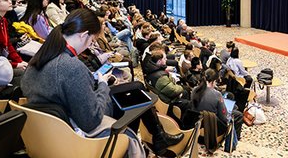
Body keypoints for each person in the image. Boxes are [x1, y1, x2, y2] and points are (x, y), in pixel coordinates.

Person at [21, 9, 183, 155]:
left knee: (137, 89)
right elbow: (91, 120)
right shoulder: (71, 66)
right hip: (80, 129)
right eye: (91, 41)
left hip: (55, 128)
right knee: (136, 97)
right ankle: (154, 139)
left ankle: (158, 138)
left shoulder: (38, 61)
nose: (90, 46)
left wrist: (92, 80)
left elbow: (62, 85)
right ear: (84, 35)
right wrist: (103, 84)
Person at [191, 68, 243, 140]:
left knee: (233, 108)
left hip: (197, 122)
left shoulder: (195, 90)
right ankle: (235, 140)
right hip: (213, 126)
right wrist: (228, 115)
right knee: (238, 114)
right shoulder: (217, 94)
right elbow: (223, 117)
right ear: (213, 81)